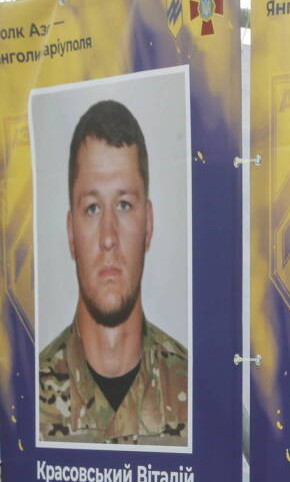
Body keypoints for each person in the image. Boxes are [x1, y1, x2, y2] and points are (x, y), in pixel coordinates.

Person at [39, 100, 188, 446]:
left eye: (123, 205)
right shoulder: (23, 397)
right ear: (71, 232)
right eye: (92, 208)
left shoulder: (194, 390)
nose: (108, 237)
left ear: (148, 225)